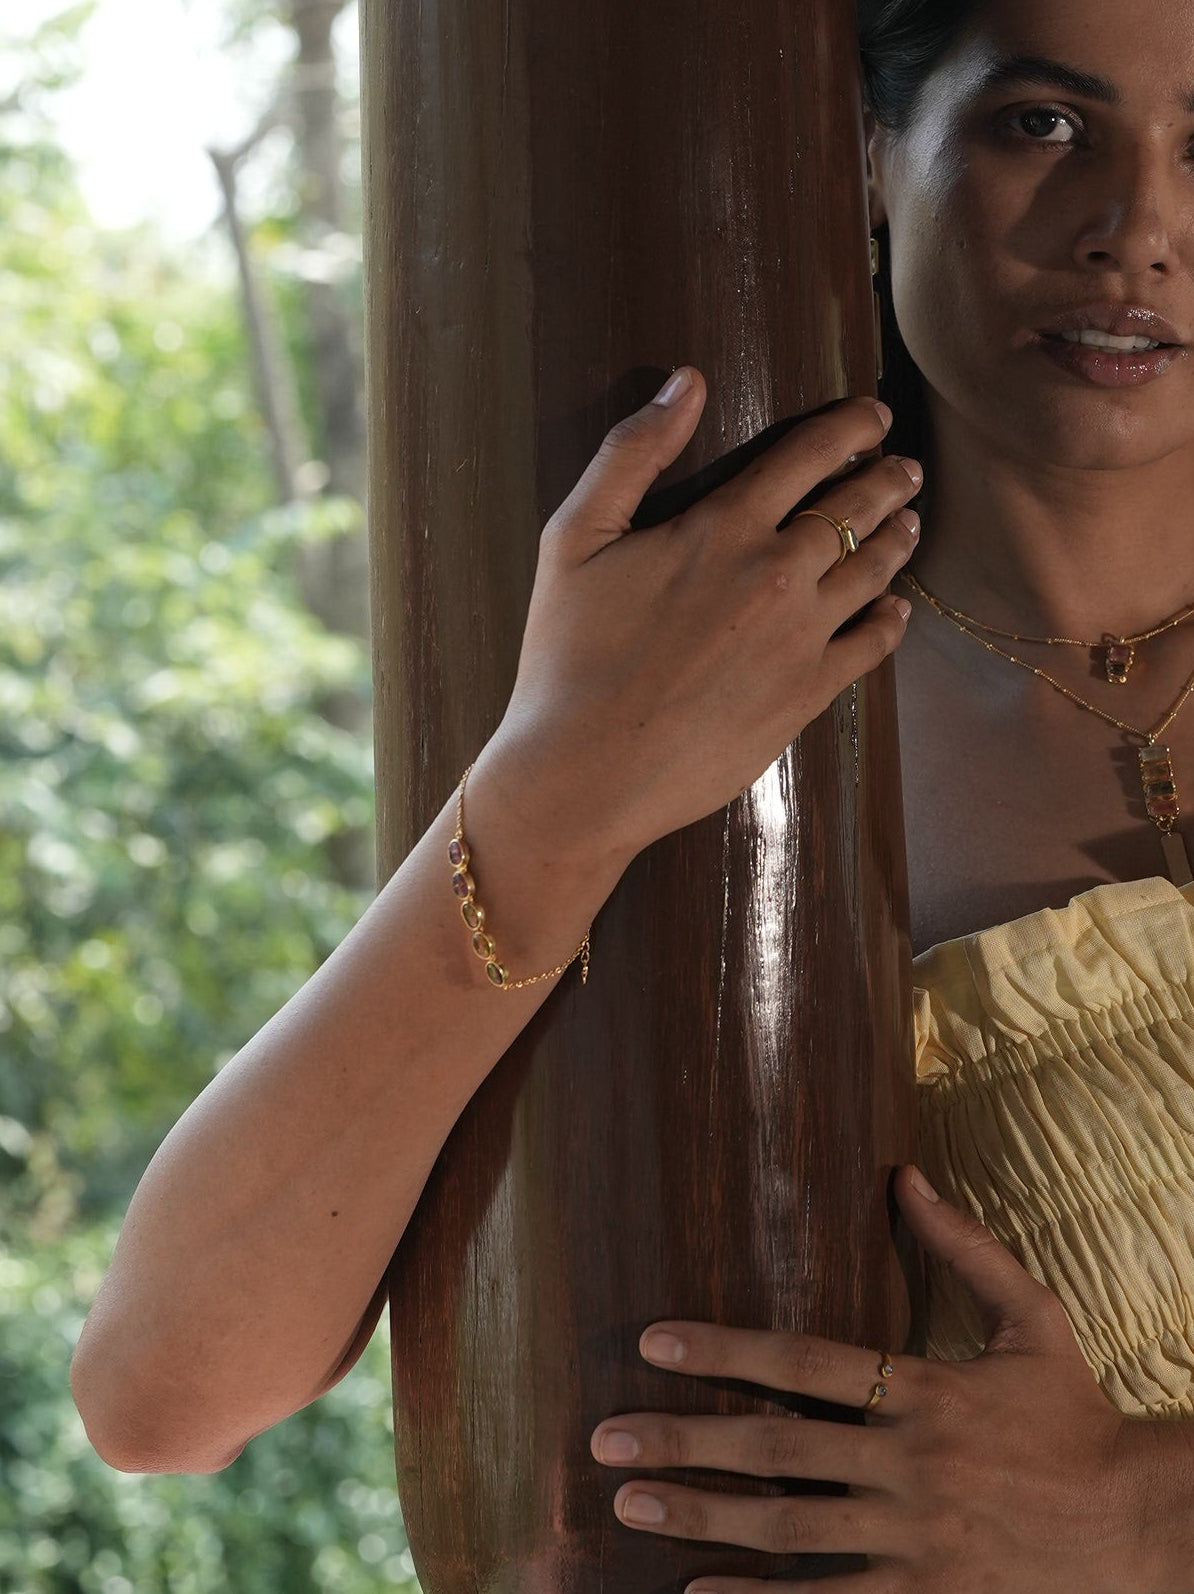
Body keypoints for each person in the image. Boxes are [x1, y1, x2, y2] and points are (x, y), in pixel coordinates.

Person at [69, 0, 1194, 1585]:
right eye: (1042, 124)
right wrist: (562, 786)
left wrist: (1135, 1513)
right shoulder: (723, 697)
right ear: (870, 156)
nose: (1134, 227)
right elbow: (162, 1392)